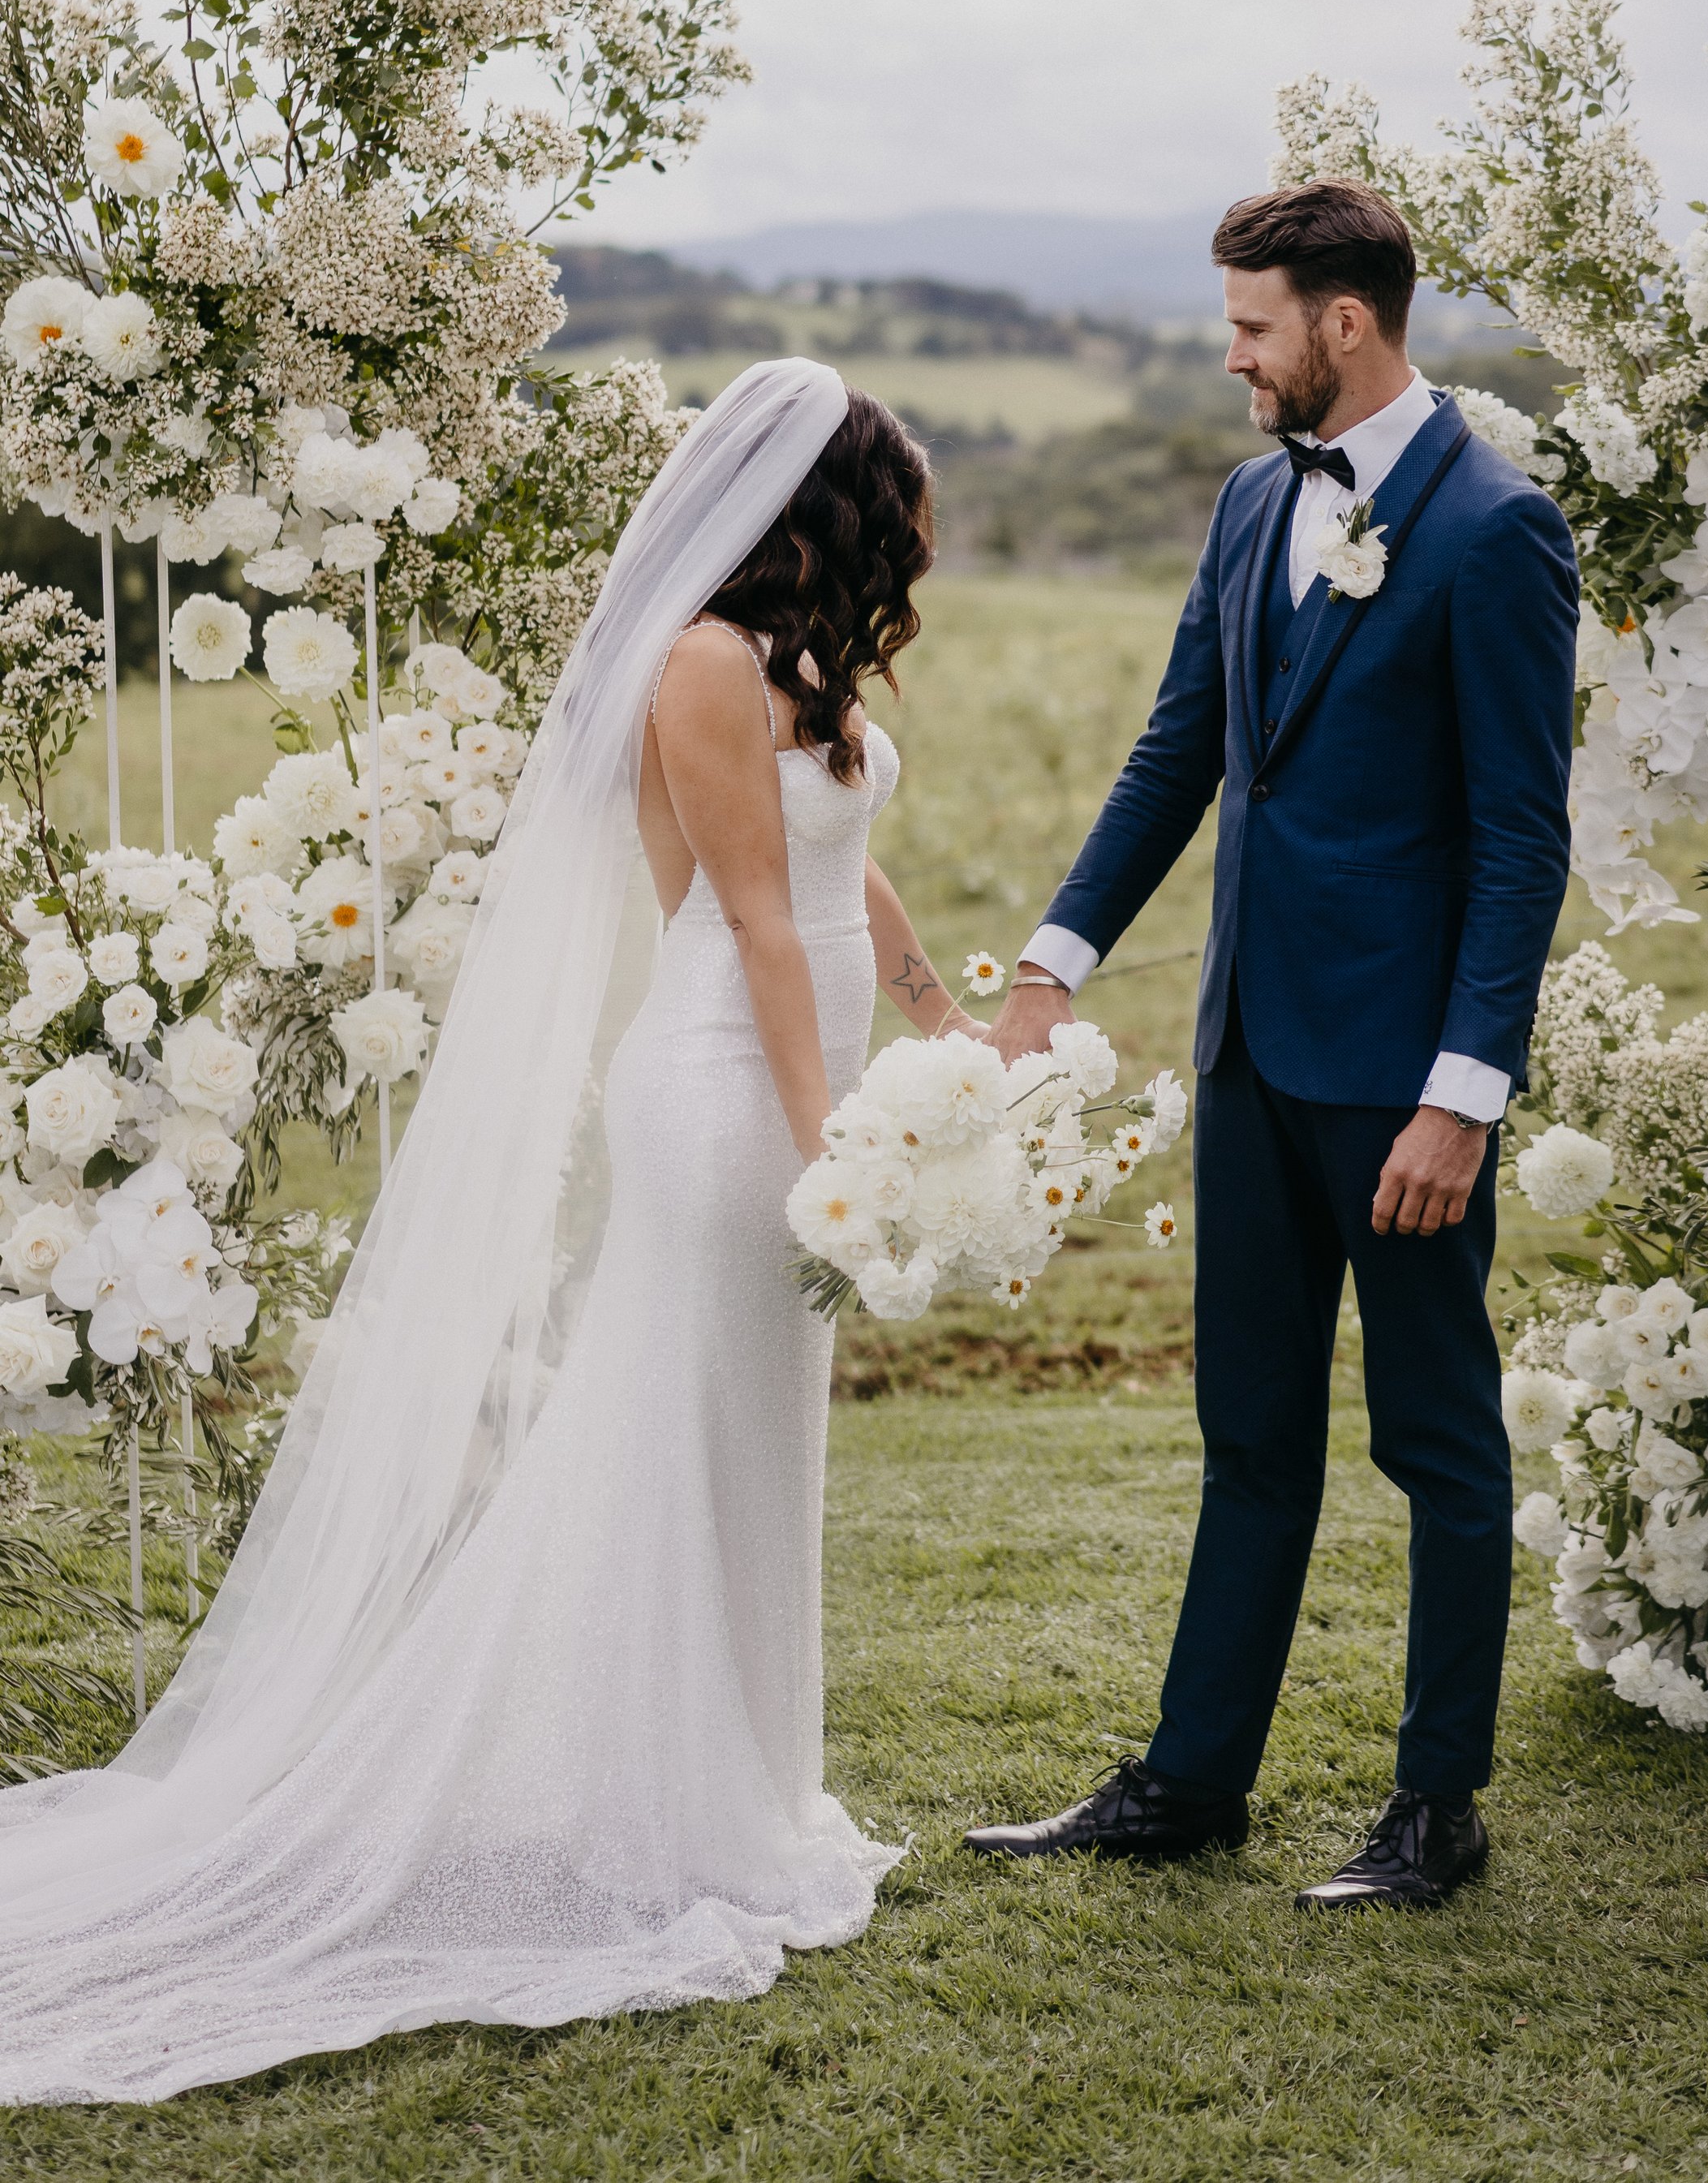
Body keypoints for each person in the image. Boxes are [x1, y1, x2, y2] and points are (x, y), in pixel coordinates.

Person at [0, 360, 967, 2103]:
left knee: (754, 1442)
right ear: (822, 515)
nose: (907, 542)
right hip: (725, 1088)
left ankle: (733, 1780)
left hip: (808, 1076)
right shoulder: (698, 663)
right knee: (664, 1429)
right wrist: (839, 1149)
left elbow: (838, 863)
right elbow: (752, 920)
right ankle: (647, 1803)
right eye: (891, 512)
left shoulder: (798, 673)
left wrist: (929, 1007)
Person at [966, 180, 1578, 1910]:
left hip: (1400, 1090)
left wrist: (1463, 1097)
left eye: (1251, 328)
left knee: (1436, 1441)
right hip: (1246, 1053)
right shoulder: (1249, 506)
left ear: (1344, 323)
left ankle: (1433, 1807)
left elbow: (1520, 839)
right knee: (1248, 1435)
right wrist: (1049, 963)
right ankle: (1189, 1782)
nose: (1230, 357)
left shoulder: (1494, 532)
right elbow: (1179, 754)